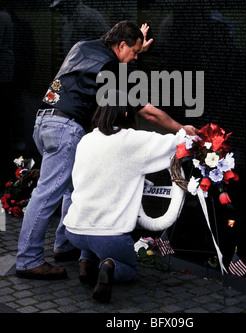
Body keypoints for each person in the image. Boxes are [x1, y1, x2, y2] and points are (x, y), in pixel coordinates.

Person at [16, 20, 197, 280]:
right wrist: (182, 129)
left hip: (44, 122)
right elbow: (147, 112)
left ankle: (64, 246)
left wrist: (134, 48)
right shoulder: (110, 67)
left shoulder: (82, 47)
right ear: (121, 45)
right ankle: (28, 260)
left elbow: (107, 63)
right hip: (66, 128)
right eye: (134, 52)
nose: (134, 57)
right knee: (47, 194)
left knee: (70, 187)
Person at [63, 90, 189, 303]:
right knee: (129, 269)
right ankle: (108, 266)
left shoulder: (86, 140)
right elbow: (176, 144)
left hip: (74, 230)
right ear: (125, 113)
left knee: (90, 238)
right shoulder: (132, 140)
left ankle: (85, 262)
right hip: (109, 235)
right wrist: (191, 132)